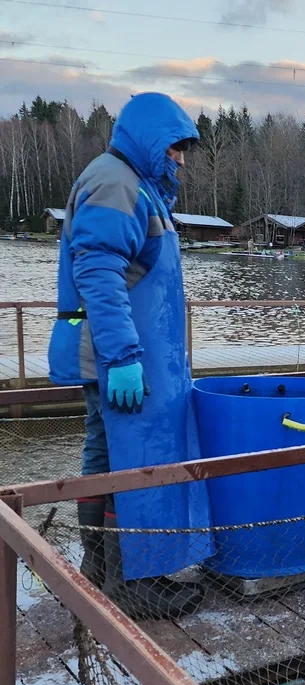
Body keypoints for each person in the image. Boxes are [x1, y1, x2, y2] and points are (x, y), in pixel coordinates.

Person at [48, 93, 213, 620]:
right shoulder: (116, 181)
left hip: (134, 357)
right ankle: (128, 583)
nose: (180, 159)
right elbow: (97, 272)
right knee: (127, 462)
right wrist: (122, 357)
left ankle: (101, 572)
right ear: (147, 140)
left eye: (184, 150)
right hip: (120, 360)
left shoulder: (133, 184)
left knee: (104, 457)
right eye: (174, 148)